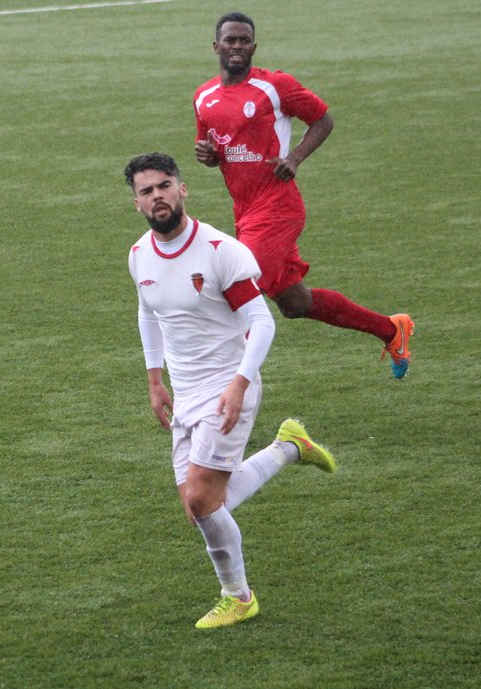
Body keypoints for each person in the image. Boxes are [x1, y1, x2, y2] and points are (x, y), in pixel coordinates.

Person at [125, 152, 337, 629]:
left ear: (183, 189)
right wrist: (155, 380)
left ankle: (238, 597)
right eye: (146, 191)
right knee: (197, 508)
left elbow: (262, 322)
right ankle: (288, 448)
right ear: (136, 203)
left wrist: (240, 383)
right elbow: (148, 313)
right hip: (185, 393)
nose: (157, 196)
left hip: (228, 385)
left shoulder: (221, 251)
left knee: (203, 501)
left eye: (164, 186)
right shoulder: (140, 255)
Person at [193, 11, 415, 379]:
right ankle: (391, 329)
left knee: (239, 291)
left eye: (244, 40)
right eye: (230, 40)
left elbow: (323, 119)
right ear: (216, 46)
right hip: (244, 211)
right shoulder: (203, 97)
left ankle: (223, 390)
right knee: (296, 303)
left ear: (254, 47)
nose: (237, 46)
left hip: (277, 207)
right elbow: (216, 148)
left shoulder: (275, 86)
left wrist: (294, 158)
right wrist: (209, 157)